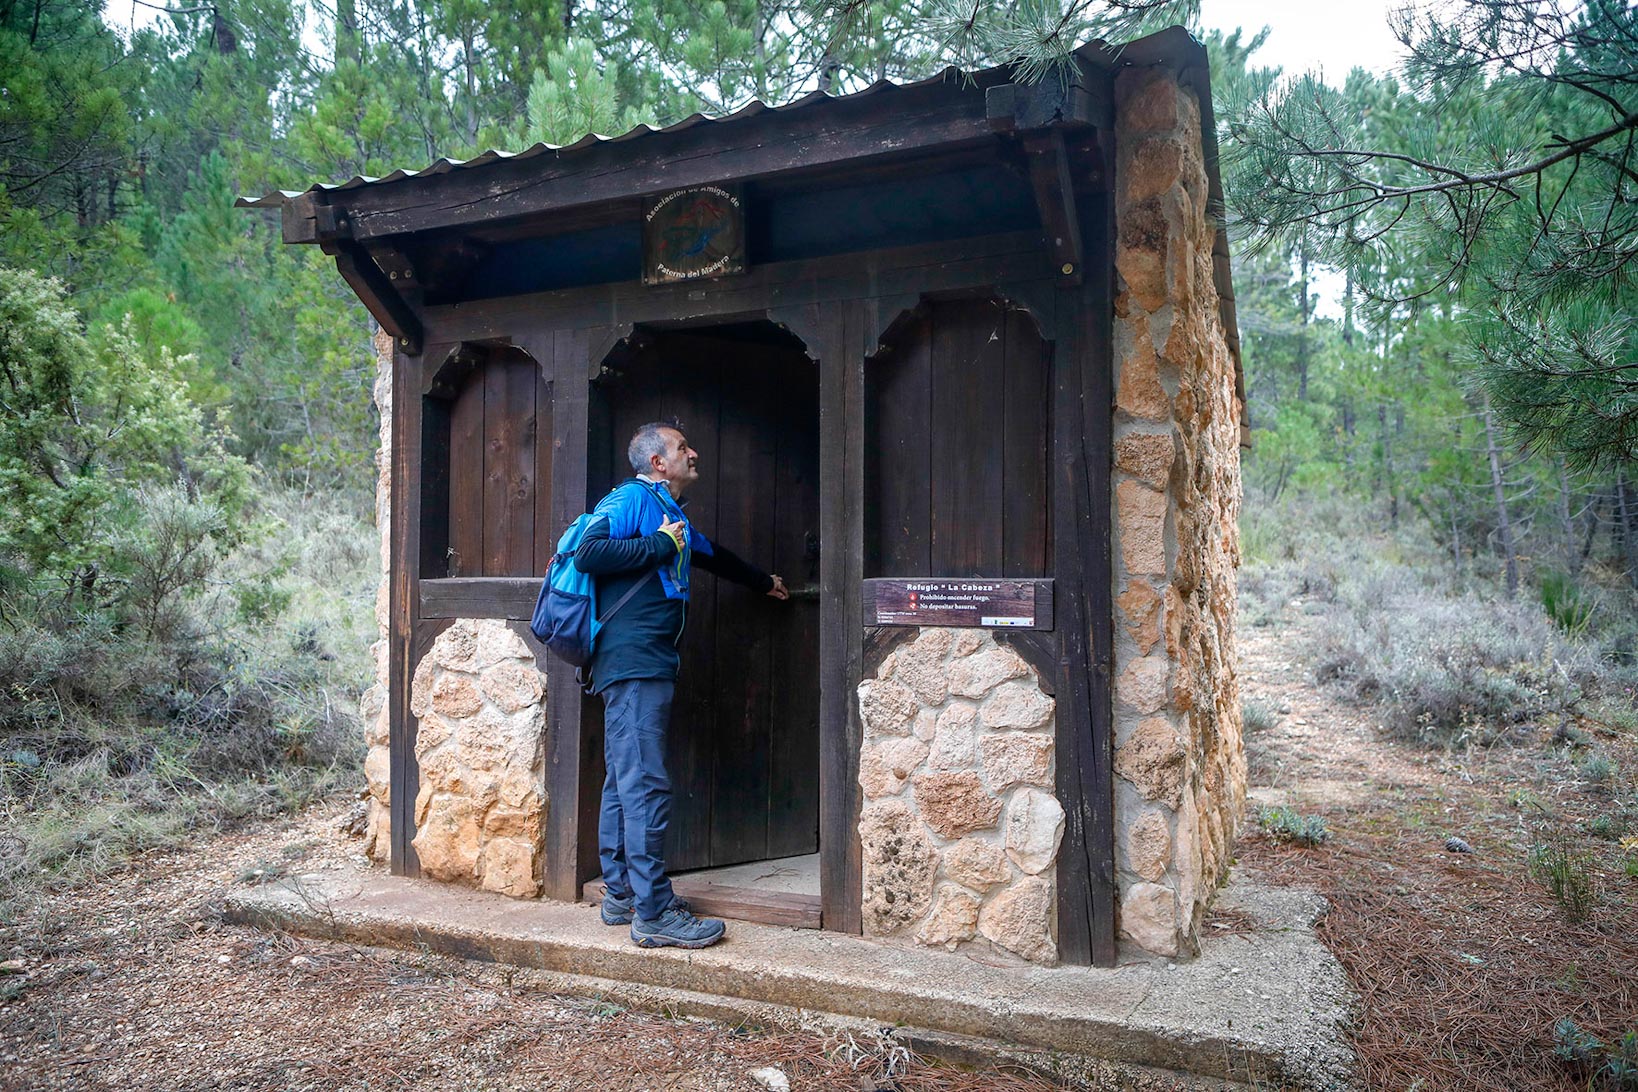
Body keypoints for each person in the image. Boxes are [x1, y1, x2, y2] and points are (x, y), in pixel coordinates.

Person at [573, 420, 789, 949]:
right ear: (658, 464)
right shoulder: (631, 499)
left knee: (625, 779)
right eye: (681, 447)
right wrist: (657, 545)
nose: (693, 452)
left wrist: (766, 583)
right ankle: (652, 912)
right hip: (632, 661)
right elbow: (589, 552)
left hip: (642, 662)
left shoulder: (671, 514)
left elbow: (713, 556)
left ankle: (622, 894)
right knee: (644, 781)